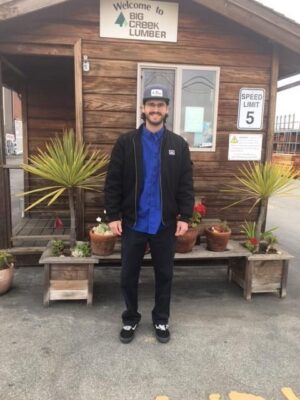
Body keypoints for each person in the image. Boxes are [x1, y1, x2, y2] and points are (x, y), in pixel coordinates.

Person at [104, 83, 194, 344]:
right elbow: (113, 182)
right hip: (134, 222)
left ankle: (161, 318)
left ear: (166, 110)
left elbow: (186, 184)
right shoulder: (126, 143)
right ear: (142, 109)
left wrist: (185, 217)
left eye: (160, 105)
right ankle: (130, 318)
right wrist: (112, 216)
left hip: (164, 223)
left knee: (164, 274)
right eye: (151, 105)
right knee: (128, 274)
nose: (155, 109)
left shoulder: (178, 144)